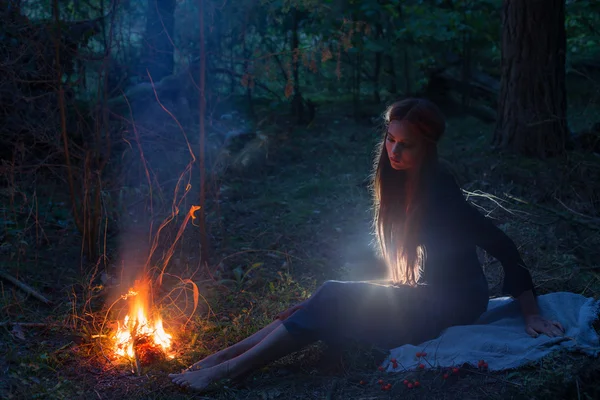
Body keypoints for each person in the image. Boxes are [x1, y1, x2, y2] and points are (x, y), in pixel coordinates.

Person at [169, 98, 565, 391]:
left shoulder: (441, 193)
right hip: (422, 294)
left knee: (332, 296)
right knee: (322, 301)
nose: (393, 151)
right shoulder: (396, 181)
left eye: (405, 145)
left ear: (426, 148)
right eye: (391, 139)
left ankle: (227, 371)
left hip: (454, 303)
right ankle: (223, 358)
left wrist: (529, 313)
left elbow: (503, 245)